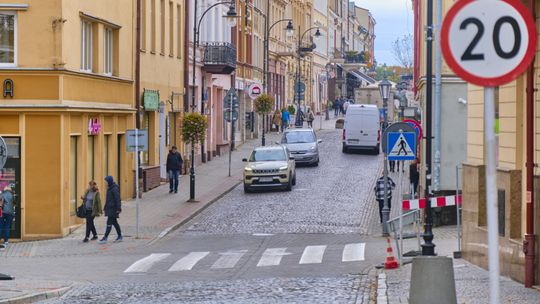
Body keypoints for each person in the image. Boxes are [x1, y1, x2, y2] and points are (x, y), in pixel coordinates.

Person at [99, 176, 123, 244]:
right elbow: (108, 200)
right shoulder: (109, 188)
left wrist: (118, 208)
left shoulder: (114, 189)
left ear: (109, 181)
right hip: (110, 208)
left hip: (113, 209)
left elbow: (117, 199)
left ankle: (105, 237)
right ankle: (120, 236)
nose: (105, 183)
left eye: (106, 182)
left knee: (109, 223)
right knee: (114, 223)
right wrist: (105, 207)